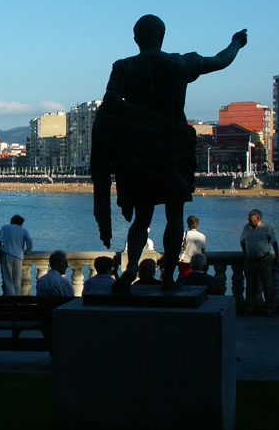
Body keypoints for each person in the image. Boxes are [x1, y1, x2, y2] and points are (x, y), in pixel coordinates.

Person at [91, 15, 247, 293]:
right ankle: (169, 277)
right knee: (176, 213)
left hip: (139, 153)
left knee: (142, 216)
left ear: (136, 38)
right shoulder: (181, 63)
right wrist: (236, 42)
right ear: (162, 37)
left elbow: (110, 109)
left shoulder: (124, 67)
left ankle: (130, 269)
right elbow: (221, 60)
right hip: (173, 149)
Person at [240, 209, 279, 315]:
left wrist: (277, 257)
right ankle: (250, 307)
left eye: (250, 217)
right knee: (250, 285)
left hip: (264, 260)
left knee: (267, 284)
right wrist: (245, 253)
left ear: (258, 218)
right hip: (250, 260)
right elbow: (242, 241)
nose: (248, 219)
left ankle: (270, 307)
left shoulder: (266, 228)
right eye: (249, 216)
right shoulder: (246, 228)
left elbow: (274, 242)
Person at [0, 214, 33, 296]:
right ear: (20, 223)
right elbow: (29, 241)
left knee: (8, 280)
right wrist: (28, 251)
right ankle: (17, 299)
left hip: (7, 255)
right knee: (17, 281)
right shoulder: (24, 231)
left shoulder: (5, 228)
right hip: (19, 257)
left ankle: (11, 300)